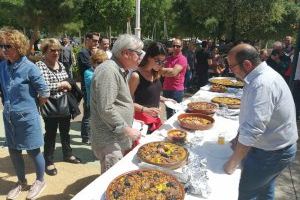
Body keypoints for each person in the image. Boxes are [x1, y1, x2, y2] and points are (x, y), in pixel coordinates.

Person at [224, 44, 298, 200]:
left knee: (247, 193)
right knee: (265, 188)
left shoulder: (262, 83)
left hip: (272, 152)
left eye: (232, 66)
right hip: (277, 148)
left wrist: (232, 164)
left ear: (247, 64)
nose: (230, 70)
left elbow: (253, 129)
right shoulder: (259, 77)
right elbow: (250, 114)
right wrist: (239, 136)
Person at [0, 29, 49, 200]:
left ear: (19, 47)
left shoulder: (30, 67)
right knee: (14, 151)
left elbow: (44, 92)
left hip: (27, 118)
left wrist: (30, 107)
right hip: (9, 117)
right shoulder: (2, 66)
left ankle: (40, 180)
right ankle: (21, 182)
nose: (4, 49)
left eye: (8, 46)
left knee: (33, 151)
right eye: (2, 46)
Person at [90, 34, 143, 173]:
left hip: (115, 139)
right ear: (126, 53)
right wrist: (128, 129)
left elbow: (118, 102)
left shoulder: (118, 69)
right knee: (111, 180)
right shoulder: (108, 71)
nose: (141, 57)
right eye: (139, 53)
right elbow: (106, 108)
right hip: (109, 141)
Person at [36, 38, 81, 177]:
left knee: (65, 132)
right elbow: (41, 88)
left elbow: (68, 80)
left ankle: (67, 154)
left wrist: (67, 83)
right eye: (52, 50)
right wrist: (61, 85)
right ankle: (48, 160)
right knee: (50, 135)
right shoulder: (40, 65)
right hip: (49, 105)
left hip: (64, 104)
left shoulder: (61, 64)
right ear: (45, 51)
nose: (56, 53)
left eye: (58, 50)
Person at [129, 42, 171, 133]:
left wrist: (165, 99)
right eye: (158, 61)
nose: (160, 64)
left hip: (154, 119)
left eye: (163, 62)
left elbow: (150, 95)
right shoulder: (136, 76)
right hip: (140, 123)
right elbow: (127, 102)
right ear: (149, 57)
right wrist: (145, 109)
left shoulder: (156, 73)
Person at [77, 32, 100, 144]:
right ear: (87, 39)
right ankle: (85, 136)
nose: (96, 43)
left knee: (92, 113)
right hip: (87, 86)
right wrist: (95, 55)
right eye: (95, 40)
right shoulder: (83, 53)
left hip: (94, 86)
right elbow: (91, 67)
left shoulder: (91, 52)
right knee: (88, 112)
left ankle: (89, 135)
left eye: (97, 41)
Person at [160, 38, 188, 119]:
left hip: (176, 90)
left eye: (178, 46)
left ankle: (177, 130)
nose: (175, 48)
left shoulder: (182, 59)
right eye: (174, 46)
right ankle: (170, 131)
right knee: (168, 113)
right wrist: (168, 71)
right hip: (166, 89)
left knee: (177, 113)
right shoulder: (168, 58)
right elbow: (159, 71)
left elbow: (173, 73)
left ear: (181, 47)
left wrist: (165, 71)